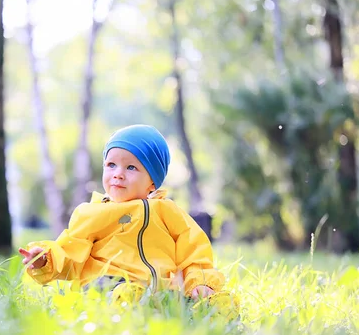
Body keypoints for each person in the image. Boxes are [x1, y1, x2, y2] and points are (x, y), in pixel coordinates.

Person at [19, 125, 236, 311]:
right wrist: (46, 259)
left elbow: (193, 251)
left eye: (131, 167)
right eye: (111, 165)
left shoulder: (168, 211)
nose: (118, 173)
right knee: (106, 289)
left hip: (160, 286)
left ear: (153, 182)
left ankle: (213, 308)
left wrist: (199, 282)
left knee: (183, 299)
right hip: (109, 281)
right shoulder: (91, 213)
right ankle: (124, 302)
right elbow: (70, 251)